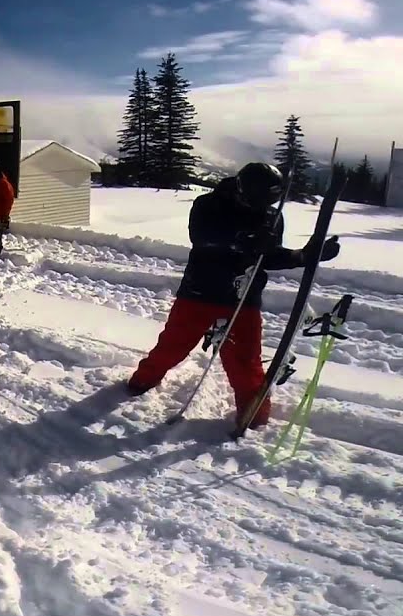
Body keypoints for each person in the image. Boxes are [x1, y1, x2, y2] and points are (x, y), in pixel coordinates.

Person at [127, 162, 341, 429]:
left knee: (245, 361)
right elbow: (202, 237)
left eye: (267, 202)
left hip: (244, 296)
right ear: (241, 189)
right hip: (200, 291)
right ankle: (142, 381)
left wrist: (302, 256)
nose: (260, 208)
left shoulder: (271, 215)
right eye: (256, 201)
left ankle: (253, 416)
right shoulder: (209, 204)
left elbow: (267, 257)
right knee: (172, 346)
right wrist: (244, 240)